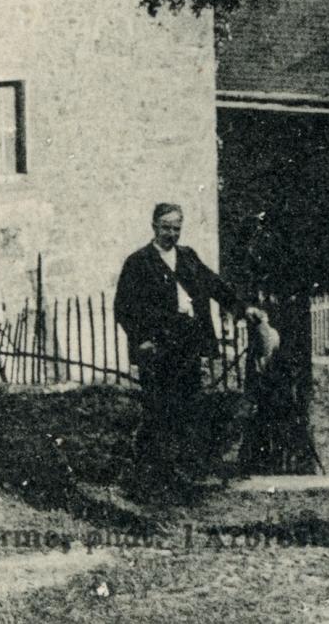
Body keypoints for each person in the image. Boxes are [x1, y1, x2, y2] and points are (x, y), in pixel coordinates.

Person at [114, 201, 258, 494]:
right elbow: (123, 308)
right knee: (158, 409)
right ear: (154, 226)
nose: (172, 233)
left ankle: (181, 473)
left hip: (188, 344)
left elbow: (216, 286)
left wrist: (243, 309)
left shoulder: (188, 257)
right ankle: (150, 475)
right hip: (157, 347)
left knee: (187, 406)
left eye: (177, 228)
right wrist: (141, 339)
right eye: (166, 227)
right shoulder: (138, 262)